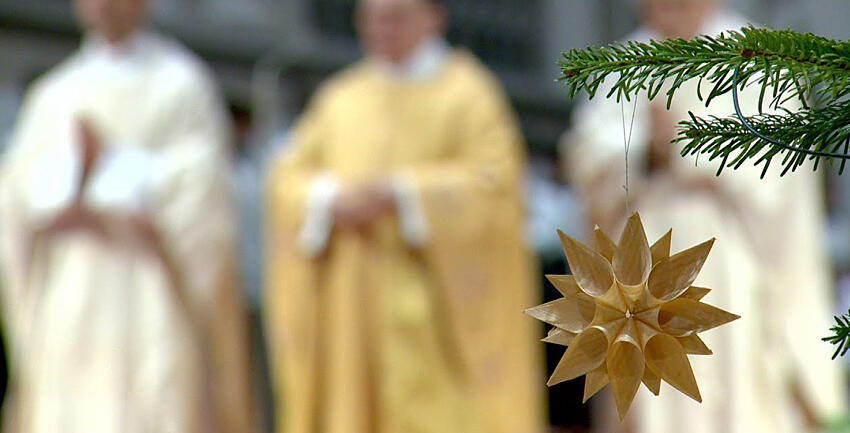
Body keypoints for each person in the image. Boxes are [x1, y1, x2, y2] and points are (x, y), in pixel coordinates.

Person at [562, 1, 846, 432]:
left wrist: (689, 145)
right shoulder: (622, 64)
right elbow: (585, 163)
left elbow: (779, 177)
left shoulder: (757, 62)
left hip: (729, 265)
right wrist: (644, 151)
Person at [264, 0, 544, 432]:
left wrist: (405, 195)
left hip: (435, 309)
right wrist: (326, 198)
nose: (381, 28)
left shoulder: (467, 93)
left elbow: (497, 185)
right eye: (371, 18)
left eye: (395, 16)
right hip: (353, 303)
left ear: (434, 17)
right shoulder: (342, 97)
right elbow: (286, 178)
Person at [0, 0, 253, 431]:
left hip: (149, 287)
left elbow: (201, 185)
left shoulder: (180, 84)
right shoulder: (55, 92)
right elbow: (18, 186)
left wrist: (109, 172)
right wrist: (67, 184)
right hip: (73, 287)